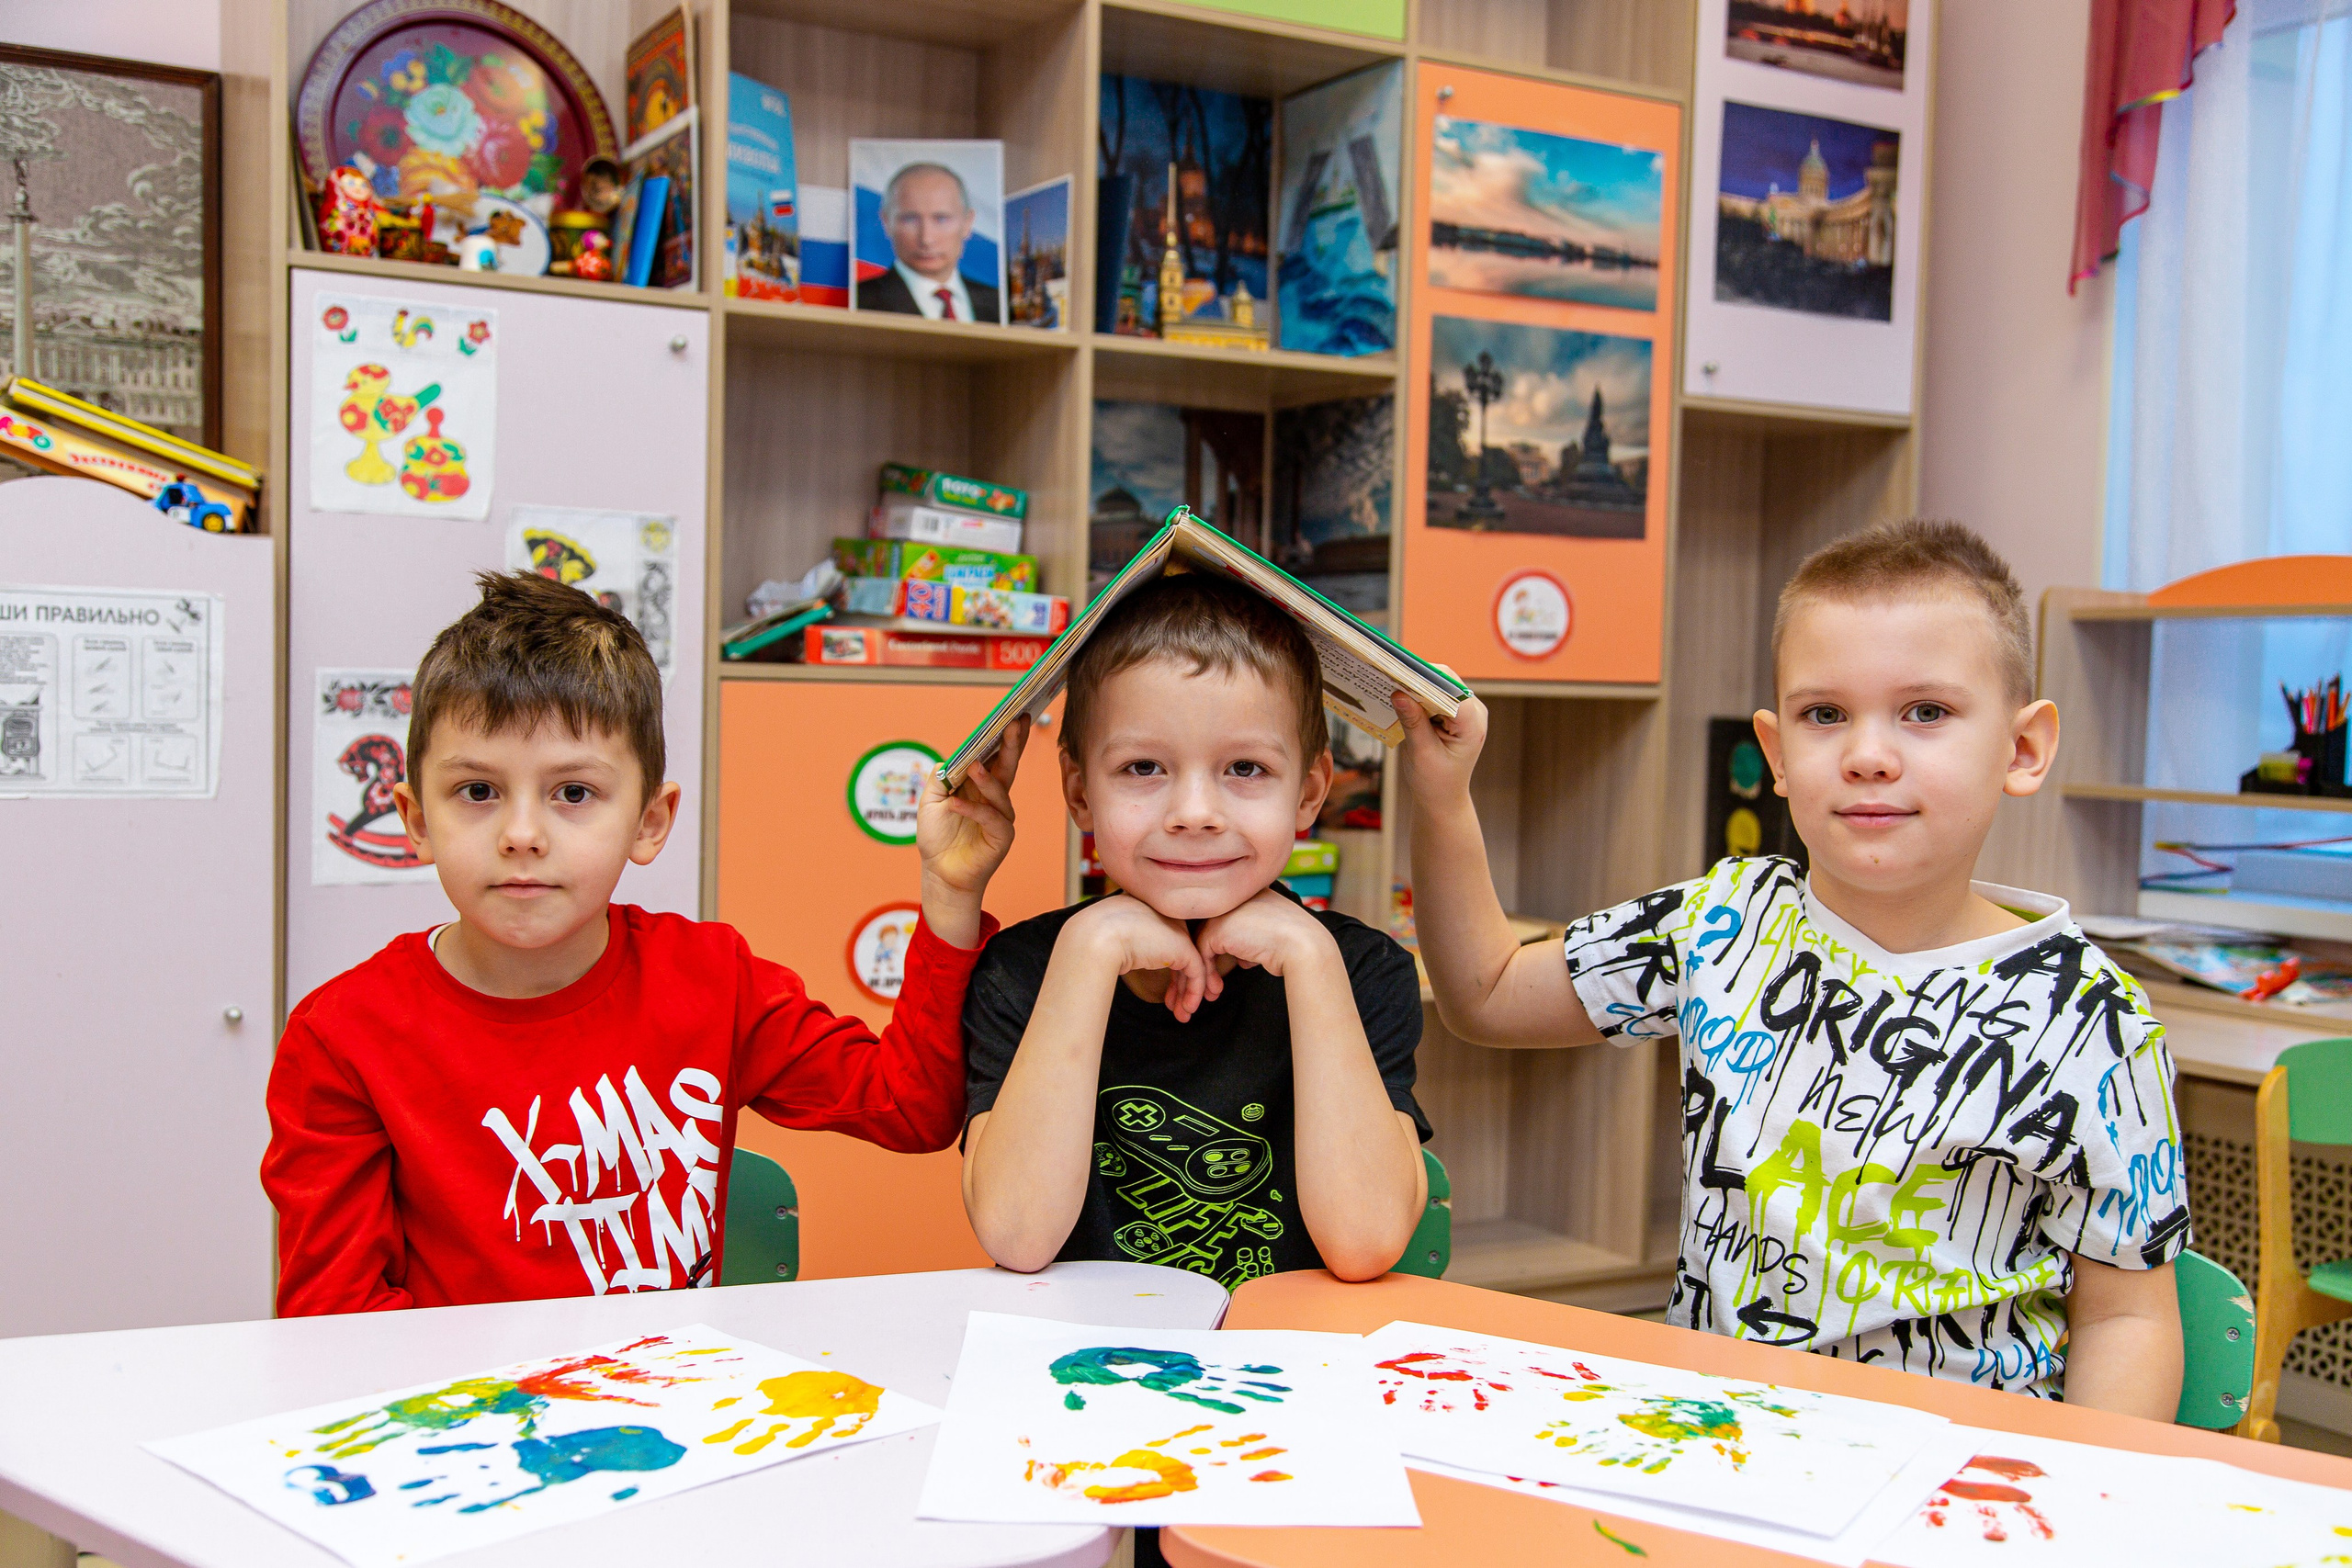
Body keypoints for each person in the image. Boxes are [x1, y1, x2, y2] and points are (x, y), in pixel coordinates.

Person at [1398, 520, 2191, 1416]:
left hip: (1957, 1466)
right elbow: (1487, 993)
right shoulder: (1722, 922)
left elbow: (2128, 1317)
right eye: (1825, 715)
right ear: (1775, 755)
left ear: (2023, 749)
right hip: (1721, 1440)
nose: (1868, 755)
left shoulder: (2095, 1020)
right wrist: (1443, 795)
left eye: (1925, 712)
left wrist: (2075, 1488)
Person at [262, 571, 1030, 1314]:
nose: (522, 834)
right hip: (469, 1405)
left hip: (667, 1394)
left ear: (650, 821)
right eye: (478, 791)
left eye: (573, 792)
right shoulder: (342, 1037)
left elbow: (909, 1107)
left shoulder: (712, 978)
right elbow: (337, 1326)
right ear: (416, 818)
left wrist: (950, 894)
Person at [961, 571, 1430, 1291]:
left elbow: (1365, 1242)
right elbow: (1018, 1235)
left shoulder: (1363, 971)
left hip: (1287, 1351)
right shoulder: (1021, 972)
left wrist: (1311, 958)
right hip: (1088, 1353)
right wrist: (1088, 951)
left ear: (1308, 792)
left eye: (1245, 767)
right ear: (1081, 792)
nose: (1194, 812)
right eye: (1143, 767)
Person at [856, 161, 1002, 324]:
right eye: (910, 219)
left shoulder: (1000, 304)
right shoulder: (860, 302)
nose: (926, 239)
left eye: (941, 219)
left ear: (967, 223)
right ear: (886, 222)